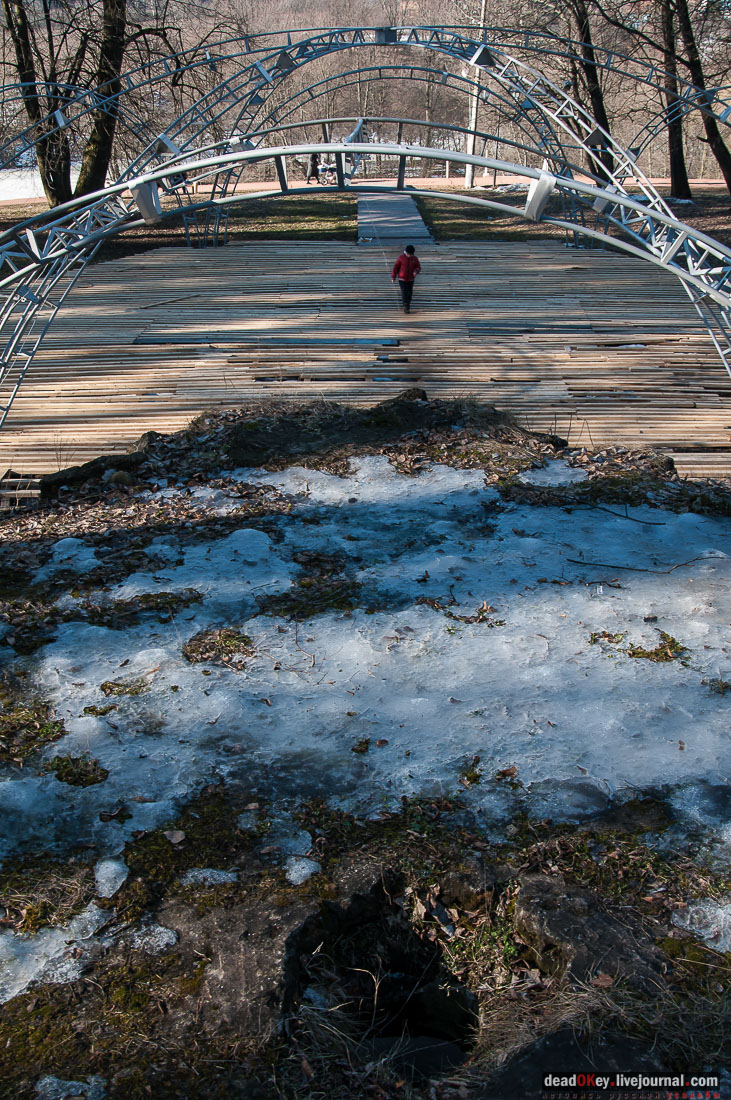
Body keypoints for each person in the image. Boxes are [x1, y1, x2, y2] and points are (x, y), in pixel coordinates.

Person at [391, 244, 421, 313]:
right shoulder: (401, 258)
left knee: (409, 293)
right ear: (406, 252)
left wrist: (416, 271)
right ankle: (405, 305)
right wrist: (393, 276)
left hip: (411, 279)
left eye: (411, 254)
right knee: (404, 292)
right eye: (409, 254)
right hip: (402, 279)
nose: (410, 256)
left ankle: (408, 304)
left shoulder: (415, 258)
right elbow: (395, 267)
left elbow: (418, 267)